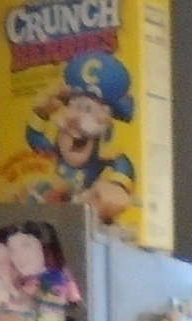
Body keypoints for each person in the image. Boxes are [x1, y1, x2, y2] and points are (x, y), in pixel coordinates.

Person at [25, 53, 138, 227]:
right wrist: (41, 114)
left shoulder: (103, 155)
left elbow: (123, 164)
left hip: (88, 212)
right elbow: (36, 138)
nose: (76, 119)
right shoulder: (55, 151)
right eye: (75, 106)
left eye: (87, 109)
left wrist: (117, 184)